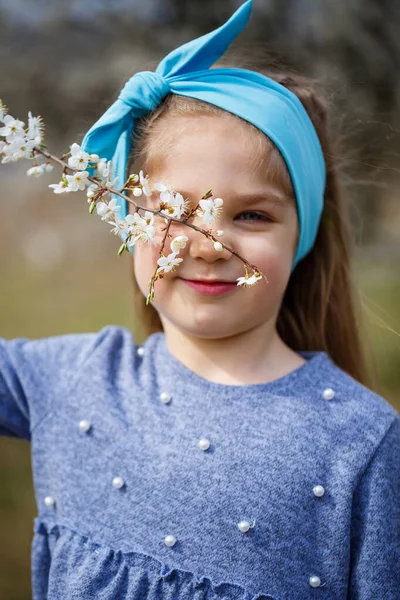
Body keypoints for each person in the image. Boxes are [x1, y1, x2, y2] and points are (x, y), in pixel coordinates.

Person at [1, 1, 399, 599]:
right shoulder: (70, 380)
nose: (209, 245)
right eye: (173, 212)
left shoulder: (360, 438)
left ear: (302, 237)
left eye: (253, 215)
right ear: (128, 223)